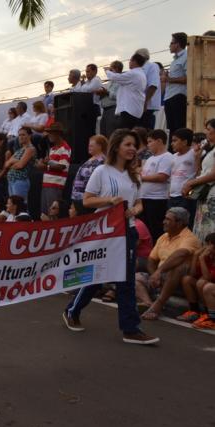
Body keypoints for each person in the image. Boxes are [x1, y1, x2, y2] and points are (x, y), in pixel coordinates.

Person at [62, 129, 159, 345]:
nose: (133, 148)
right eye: (128, 144)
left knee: (126, 280)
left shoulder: (134, 175)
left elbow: (139, 202)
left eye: (134, 145)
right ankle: (72, 310)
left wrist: (134, 211)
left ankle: (130, 328)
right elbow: (87, 200)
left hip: (128, 231)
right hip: (105, 232)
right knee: (96, 276)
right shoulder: (101, 172)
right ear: (116, 147)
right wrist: (109, 201)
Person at [136, 207, 200, 320]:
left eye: (168, 219)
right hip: (161, 276)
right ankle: (148, 303)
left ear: (179, 223)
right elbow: (151, 259)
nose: (164, 222)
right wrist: (154, 274)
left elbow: (180, 254)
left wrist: (159, 271)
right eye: (165, 219)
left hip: (179, 279)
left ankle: (158, 305)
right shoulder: (164, 237)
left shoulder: (190, 238)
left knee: (177, 267)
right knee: (135, 278)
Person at [139, 129, 173, 243]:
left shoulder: (167, 157)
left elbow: (162, 177)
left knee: (156, 229)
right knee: (146, 228)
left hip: (157, 199)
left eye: (150, 141)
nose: (148, 145)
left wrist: (141, 178)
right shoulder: (150, 158)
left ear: (159, 141)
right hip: (145, 197)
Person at [185, 120, 215, 241]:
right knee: (202, 229)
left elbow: (213, 175)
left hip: (212, 194)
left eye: (208, 129)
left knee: (210, 229)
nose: (206, 132)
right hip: (205, 195)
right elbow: (201, 173)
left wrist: (190, 183)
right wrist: (197, 158)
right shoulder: (211, 151)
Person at [178, 232, 215, 323]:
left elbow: (207, 278)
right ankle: (194, 311)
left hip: (211, 288)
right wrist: (195, 256)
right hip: (210, 287)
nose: (207, 247)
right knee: (187, 280)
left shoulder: (207, 257)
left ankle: (210, 316)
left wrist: (201, 258)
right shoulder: (208, 257)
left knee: (202, 283)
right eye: (207, 244)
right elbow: (192, 274)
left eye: (210, 245)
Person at [105, 54, 147, 129]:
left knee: (125, 134)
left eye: (130, 60)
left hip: (129, 109)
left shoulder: (133, 73)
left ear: (134, 61)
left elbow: (115, 77)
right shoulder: (141, 74)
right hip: (135, 109)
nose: (129, 62)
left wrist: (108, 71)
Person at [37, 123, 71, 215]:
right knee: (44, 214)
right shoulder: (52, 149)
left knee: (52, 214)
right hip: (47, 184)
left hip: (55, 186)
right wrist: (44, 163)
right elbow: (53, 165)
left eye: (51, 133)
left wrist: (46, 165)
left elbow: (61, 166)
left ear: (58, 134)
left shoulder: (65, 148)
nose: (49, 135)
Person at [71, 135, 107, 215]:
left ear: (100, 146)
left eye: (91, 146)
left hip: (89, 200)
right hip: (79, 199)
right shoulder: (90, 159)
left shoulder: (102, 161)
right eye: (89, 145)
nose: (89, 147)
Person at [168, 128, 197, 227]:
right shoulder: (173, 156)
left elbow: (199, 172)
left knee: (185, 223)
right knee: (173, 222)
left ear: (184, 142)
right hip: (173, 196)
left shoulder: (194, 153)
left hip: (186, 195)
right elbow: (172, 176)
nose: (172, 143)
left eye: (175, 140)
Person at [164, 32, 188, 137]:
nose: (169, 46)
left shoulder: (187, 56)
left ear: (177, 44)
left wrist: (169, 79)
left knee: (179, 127)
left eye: (171, 43)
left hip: (178, 96)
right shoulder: (174, 60)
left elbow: (188, 78)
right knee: (171, 128)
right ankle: (174, 151)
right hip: (169, 96)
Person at [5, 127, 36, 202]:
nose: (21, 137)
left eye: (23, 135)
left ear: (29, 136)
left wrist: (12, 161)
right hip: (12, 180)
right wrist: (15, 161)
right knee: (13, 206)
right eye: (19, 135)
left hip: (20, 180)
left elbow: (20, 165)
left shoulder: (30, 149)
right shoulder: (19, 150)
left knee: (20, 205)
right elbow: (6, 165)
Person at [135, 48, 162, 130]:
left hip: (146, 106)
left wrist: (145, 102)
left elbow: (153, 85)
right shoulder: (139, 68)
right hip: (139, 105)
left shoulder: (152, 66)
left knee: (145, 131)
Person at [97, 60, 123, 137]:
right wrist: (101, 95)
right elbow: (107, 94)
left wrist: (107, 92)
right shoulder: (110, 82)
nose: (109, 72)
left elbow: (118, 96)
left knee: (111, 134)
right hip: (105, 110)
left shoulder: (121, 81)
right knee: (103, 135)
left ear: (117, 69)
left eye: (111, 70)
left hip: (113, 110)